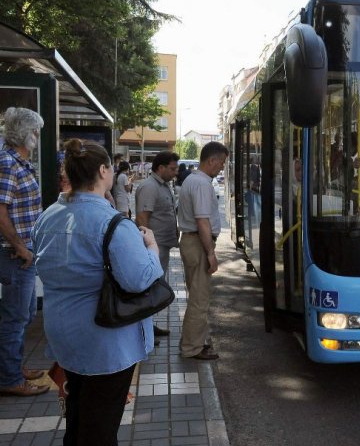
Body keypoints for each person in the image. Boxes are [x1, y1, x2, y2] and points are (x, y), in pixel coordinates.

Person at [32, 139, 162, 446]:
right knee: (100, 427)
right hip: (105, 340)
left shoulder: (49, 215)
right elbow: (140, 279)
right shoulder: (113, 224)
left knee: (78, 412)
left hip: (64, 333)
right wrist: (152, 246)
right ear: (104, 171)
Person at [0, 107, 49, 397]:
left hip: (21, 253)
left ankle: (13, 367)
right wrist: (20, 247)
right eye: (35, 130)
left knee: (22, 314)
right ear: (24, 133)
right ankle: (10, 379)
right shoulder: (8, 164)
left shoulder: (19, 162)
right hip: (14, 255)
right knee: (15, 317)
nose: (37, 135)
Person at [177, 141, 228, 360]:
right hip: (197, 243)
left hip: (193, 242)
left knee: (197, 296)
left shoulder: (194, 180)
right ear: (212, 160)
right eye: (222, 163)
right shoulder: (201, 183)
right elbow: (202, 221)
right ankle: (191, 348)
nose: (222, 167)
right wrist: (210, 252)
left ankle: (194, 342)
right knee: (199, 299)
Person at [135, 150, 180, 338]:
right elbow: (143, 218)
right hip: (155, 247)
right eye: (172, 168)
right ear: (160, 168)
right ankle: (144, 330)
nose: (175, 172)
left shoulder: (163, 185)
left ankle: (149, 326)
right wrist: (147, 246)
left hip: (162, 245)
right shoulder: (150, 187)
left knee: (155, 287)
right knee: (149, 288)